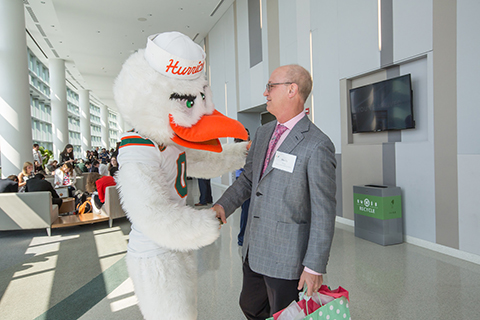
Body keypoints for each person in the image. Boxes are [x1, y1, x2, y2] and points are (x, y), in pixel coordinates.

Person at [213, 64, 337, 319]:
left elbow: (324, 211)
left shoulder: (317, 144)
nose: (265, 93)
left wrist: (314, 265)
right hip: (254, 248)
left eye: (270, 86)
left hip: (287, 255)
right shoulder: (263, 133)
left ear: (292, 90)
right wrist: (223, 205)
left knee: (284, 314)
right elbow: (249, 179)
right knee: (251, 306)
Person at [234, 128, 251, 246]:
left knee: (249, 210)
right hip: (242, 180)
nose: (249, 137)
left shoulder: (249, 148)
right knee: (246, 210)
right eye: (246, 135)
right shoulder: (238, 150)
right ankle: (242, 238)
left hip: (250, 180)